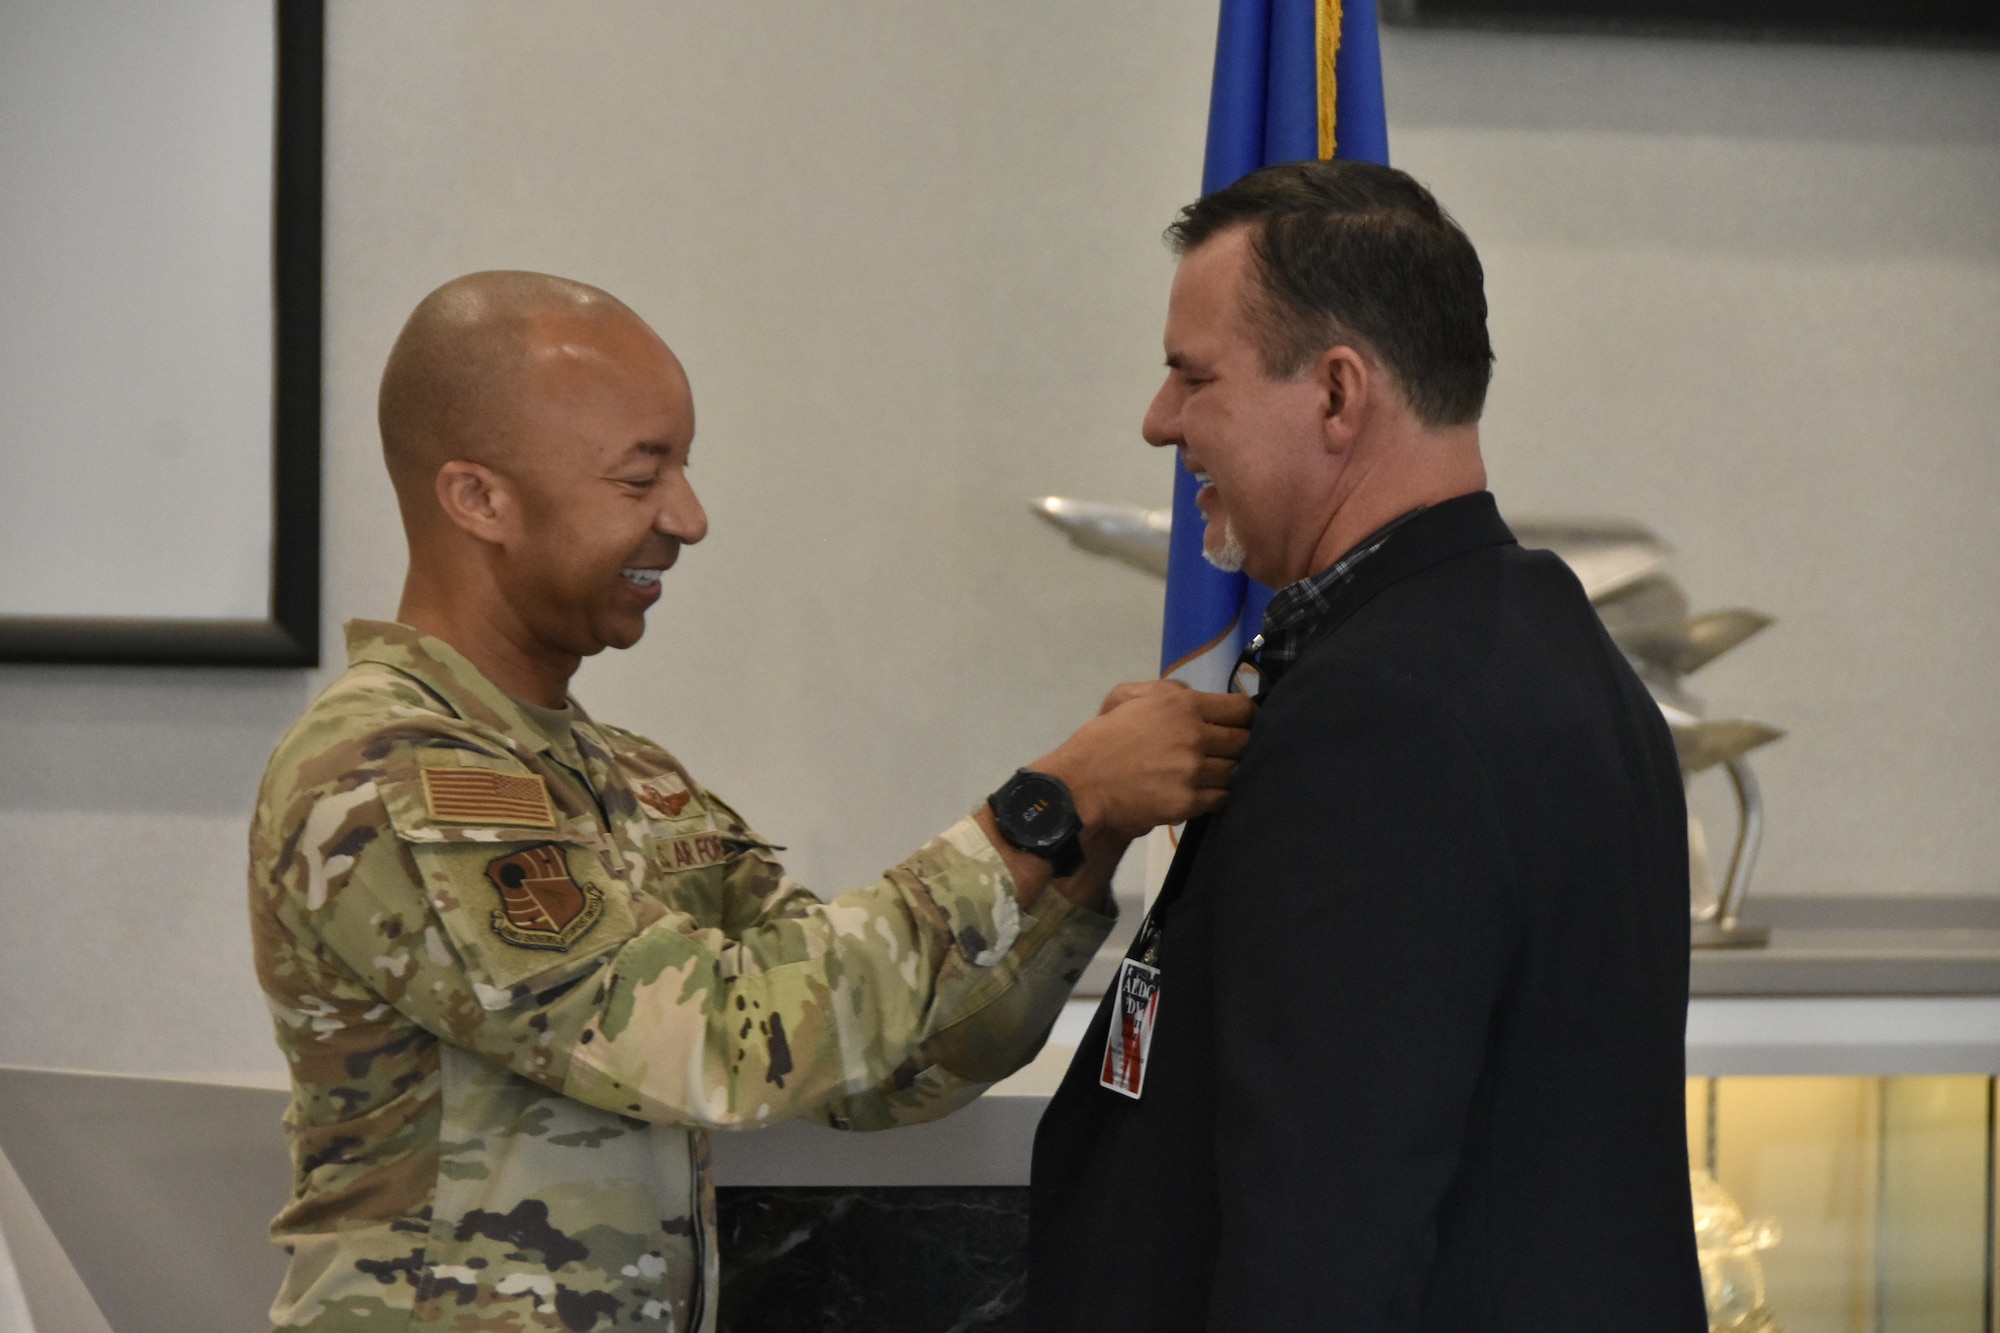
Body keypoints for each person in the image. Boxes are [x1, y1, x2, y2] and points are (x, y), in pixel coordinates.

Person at [247, 270, 1255, 1332]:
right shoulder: (385, 768)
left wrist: (1080, 850)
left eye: (682, 470)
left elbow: (878, 1067)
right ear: (478, 499)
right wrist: (1045, 804)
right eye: (640, 480)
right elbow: (720, 1046)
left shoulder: (627, 777)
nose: (688, 517)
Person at [1028, 162, 1707, 1329]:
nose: (1159, 421)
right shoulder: (1550, 651)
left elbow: (1325, 1233)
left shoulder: (1375, 715)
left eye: (1194, 378)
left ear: (1337, 395)